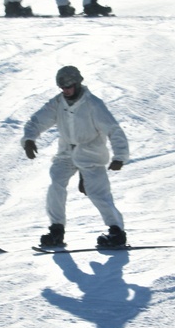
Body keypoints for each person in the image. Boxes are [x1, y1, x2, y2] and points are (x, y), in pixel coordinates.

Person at [22, 66, 129, 249]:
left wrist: (120, 156)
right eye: (62, 88)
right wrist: (29, 138)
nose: (66, 91)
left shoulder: (93, 104)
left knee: (98, 193)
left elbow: (113, 129)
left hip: (91, 154)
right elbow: (38, 120)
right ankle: (57, 230)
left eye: (69, 86)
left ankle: (117, 232)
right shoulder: (58, 103)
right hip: (66, 153)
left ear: (78, 83)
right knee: (56, 184)